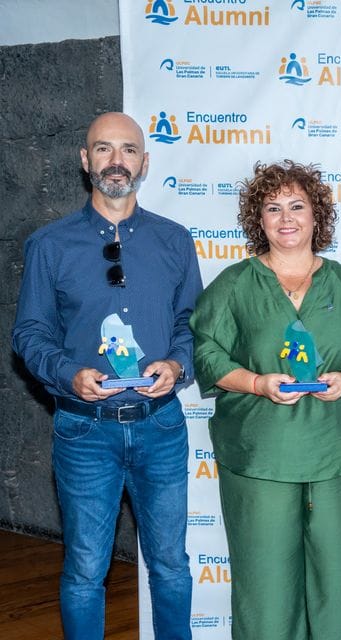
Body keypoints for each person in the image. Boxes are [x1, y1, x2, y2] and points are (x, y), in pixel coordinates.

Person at [12, 112, 201, 639]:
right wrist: (69, 374)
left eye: (128, 149)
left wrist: (177, 363)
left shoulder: (175, 241)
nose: (116, 160)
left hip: (160, 427)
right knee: (84, 572)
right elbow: (29, 334)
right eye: (103, 149)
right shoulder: (50, 245)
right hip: (83, 431)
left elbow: (192, 324)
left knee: (171, 567)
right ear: (84, 160)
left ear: (145, 161)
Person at [189, 161, 341, 640]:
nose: (286, 218)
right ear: (258, 220)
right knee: (264, 585)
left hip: (335, 456)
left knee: (336, 581)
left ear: (316, 215)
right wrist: (258, 384)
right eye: (272, 208)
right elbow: (206, 352)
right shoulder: (235, 285)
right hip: (260, 456)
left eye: (297, 206)